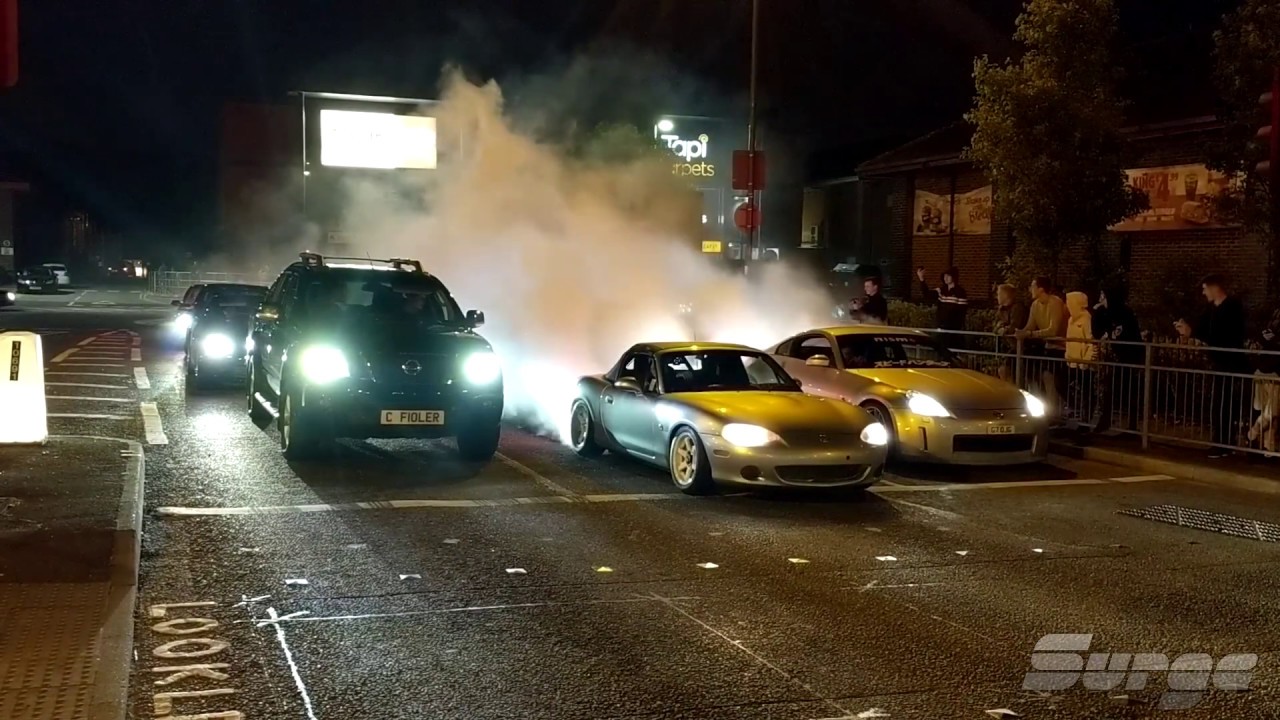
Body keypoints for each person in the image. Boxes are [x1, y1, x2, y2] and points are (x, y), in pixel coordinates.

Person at [1175, 274, 1249, 458]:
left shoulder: (1232, 307)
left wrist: (1194, 333)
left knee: (1225, 403)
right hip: (1219, 362)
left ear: (1215, 288)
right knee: (1219, 403)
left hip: (1231, 363)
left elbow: (1226, 336)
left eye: (1205, 288)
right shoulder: (1211, 309)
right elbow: (1203, 329)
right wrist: (1189, 331)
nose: (1203, 292)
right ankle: (1222, 442)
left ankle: (1225, 443)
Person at [1091, 285, 1142, 432]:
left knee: (1129, 392)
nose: (1101, 298)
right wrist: (1096, 312)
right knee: (1110, 389)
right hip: (1118, 358)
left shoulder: (1124, 313)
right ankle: (1105, 421)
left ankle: (1131, 427)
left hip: (1130, 357)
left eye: (1103, 295)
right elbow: (1097, 332)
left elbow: (1124, 334)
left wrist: (1111, 334)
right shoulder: (1104, 312)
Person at [1016, 277, 1068, 416]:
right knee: (1041, 377)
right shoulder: (1035, 305)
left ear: (1041, 289)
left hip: (1062, 347)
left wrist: (1030, 334)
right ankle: (1046, 411)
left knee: (1051, 379)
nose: (1030, 289)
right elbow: (1029, 326)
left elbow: (1053, 330)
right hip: (1048, 346)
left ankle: (1054, 413)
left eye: (1032, 286)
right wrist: (1018, 332)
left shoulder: (1055, 302)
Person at [1064, 291, 1097, 423]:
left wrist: (1087, 360)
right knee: (1063, 383)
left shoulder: (1086, 320)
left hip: (1084, 364)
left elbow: (1091, 340)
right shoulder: (1071, 320)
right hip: (1072, 361)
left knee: (1086, 392)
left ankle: (1085, 420)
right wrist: (1068, 354)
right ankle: (1076, 409)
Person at [993, 283, 1028, 381]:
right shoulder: (1001, 310)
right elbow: (996, 325)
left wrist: (1005, 330)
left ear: (1005, 295)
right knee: (1004, 371)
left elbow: (1015, 326)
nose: (997, 297)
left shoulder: (1018, 307)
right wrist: (1001, 328)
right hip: (1011, 346)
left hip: (1022, 346)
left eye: (999, 294)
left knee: (1019, 374)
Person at [917, 266, 969, 332]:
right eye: (944, 276)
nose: (946, 278)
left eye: (948, 276)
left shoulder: (960, 292)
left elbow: (962, 312)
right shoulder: (941, 290)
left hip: (954, 329)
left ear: (953, 277)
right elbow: (927, 294)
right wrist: (922, 279)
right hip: (941, 328)